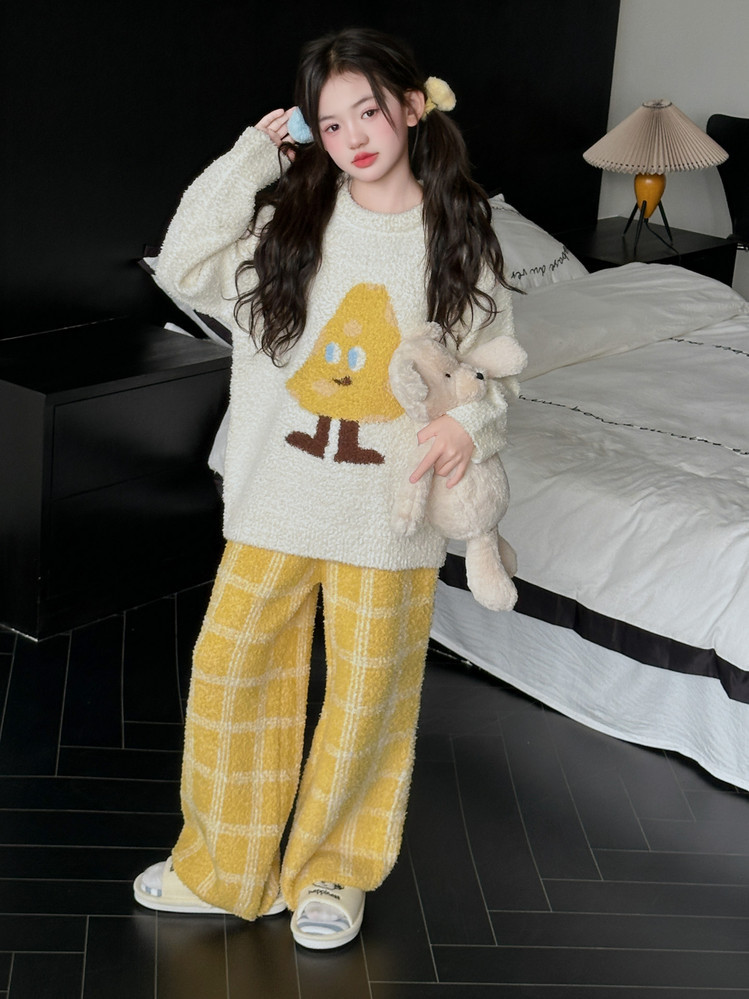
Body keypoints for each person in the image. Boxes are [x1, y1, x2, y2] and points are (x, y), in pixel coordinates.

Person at [133, 26, 520, 950]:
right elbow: (182, 262)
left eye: (368, 112)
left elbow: (490, 369)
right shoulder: (292, 224)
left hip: (390, 512)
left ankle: (332, 870)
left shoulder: (458, 234)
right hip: (277, 497)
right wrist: (252, 156)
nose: (352, 137)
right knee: (230, 669)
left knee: (367, 697)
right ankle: (222, 867)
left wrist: (465, 427)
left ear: (412, 107)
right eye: (331, 122)